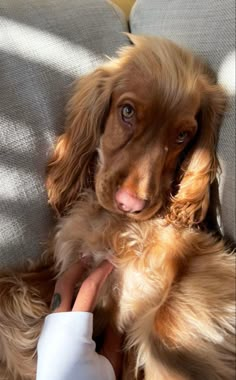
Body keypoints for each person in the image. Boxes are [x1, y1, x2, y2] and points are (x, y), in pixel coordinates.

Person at [36, 260, 123, 380]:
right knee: (64, 285)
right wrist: (85, 262)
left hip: (74, 356)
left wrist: (110, 262)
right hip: (51, 354)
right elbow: (84, 285)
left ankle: (118, 306)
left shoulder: (72, 342)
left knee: (115, 328)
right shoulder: (52, 340)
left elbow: (90, 285)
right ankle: (84, 261)